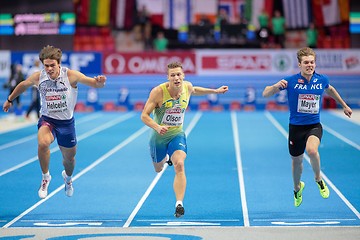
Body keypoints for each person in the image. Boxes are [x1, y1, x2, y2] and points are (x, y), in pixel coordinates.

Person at [2, 45, 106, 199]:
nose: (49, 69)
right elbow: (23, 85)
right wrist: (10, 99)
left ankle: (68, 178)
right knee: (43, 143)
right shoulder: (39, 77)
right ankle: (45, 177)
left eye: (52, 65)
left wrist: (99, 82)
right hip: (48, 120)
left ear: (59, 64)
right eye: (46, 65)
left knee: (69, 160)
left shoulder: (70, 75)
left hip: (66, 123)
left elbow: (93, 83)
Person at [262, 47, 352, 207]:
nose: (309, 65)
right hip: (296, 128)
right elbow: (265, 94)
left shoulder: (321, 79)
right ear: (299, 65)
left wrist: (344, 105)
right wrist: (276, 86)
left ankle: (318, 179)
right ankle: (297, 189)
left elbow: (330, 89)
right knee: (296, 161)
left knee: (312, 151)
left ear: (315, 64)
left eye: (311, 62)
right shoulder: (290, 81)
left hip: (314, 126)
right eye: (306, 63)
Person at [141, 61, 228, 217]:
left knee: (179, 164)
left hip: (176, 134)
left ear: (183, 76)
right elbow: (144, 116)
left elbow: (195, 90)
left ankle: (179, 203)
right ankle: (165, 157)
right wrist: (157, 127)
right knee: (158, 169)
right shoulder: (158, 92)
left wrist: (215, 91)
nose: (176, 78)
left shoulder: (187, 86)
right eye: (172, 75)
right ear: (168, 77)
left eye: (179, 74)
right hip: (158, 137)